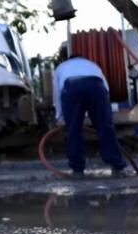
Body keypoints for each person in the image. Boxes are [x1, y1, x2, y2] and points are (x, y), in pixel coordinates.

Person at [53, 48, 128, 178]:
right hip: (96, 87)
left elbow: (57, 93)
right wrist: (105, 111)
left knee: (74, 130)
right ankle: (117, 167)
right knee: (105, 128)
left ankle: (78, 170)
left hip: (72, 87)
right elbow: (105, 87)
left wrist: (59, 115)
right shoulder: (92, 65)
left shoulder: (61, 67)